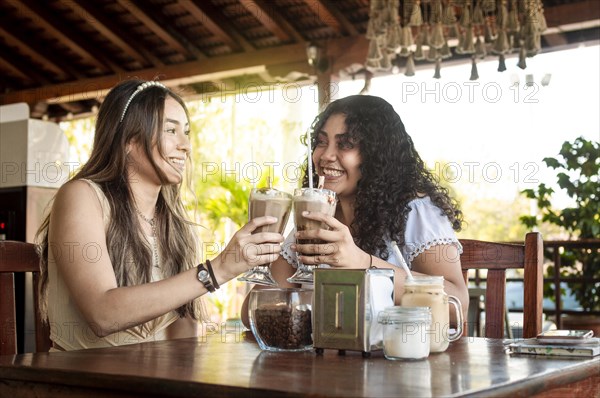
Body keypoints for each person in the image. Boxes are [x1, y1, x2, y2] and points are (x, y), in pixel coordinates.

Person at [36, 79, 284, 351]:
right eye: (170, 130)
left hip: (150, 379)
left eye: (186, 132)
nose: (185, 145)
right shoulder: (82, 196)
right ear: (129, 139)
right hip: (79, 380)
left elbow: (181, 328)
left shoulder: (173, 222)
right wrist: (219, 270)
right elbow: (102, 314)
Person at [242, 95, 468, 326]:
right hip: (327, 359)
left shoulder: (416, 211)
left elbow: (455, 305)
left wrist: (360, 262)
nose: (326, 156)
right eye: (321, 142)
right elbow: (254, 311)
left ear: (377, 155)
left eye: (346, 144)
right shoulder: (314, 215)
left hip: (397, 358)